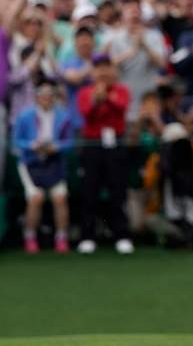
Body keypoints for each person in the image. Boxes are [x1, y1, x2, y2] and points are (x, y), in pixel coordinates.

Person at [76, 55, 134, 254]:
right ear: (92, 72)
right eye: (98, 68)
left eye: (106, 68)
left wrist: (106, 98)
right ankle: (87, 236)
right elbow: (86, 114)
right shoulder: (85, 92)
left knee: (118, 191)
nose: (102, 72)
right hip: (92, 145)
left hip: (115, 144)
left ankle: (122, 235)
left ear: (112, 71)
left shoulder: (121, 91)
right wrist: (95, 99)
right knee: (89, 191)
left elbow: (121, 109)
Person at [14, 79, 75, 254]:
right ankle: (30, 236)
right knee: (36, 198)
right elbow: (17, 141)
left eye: (50, 95)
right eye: (42, 95)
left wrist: (57, 147)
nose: (46, 98)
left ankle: (62, 237)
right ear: (36, 97)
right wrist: (32, 145)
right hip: (31, 163)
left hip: (54, 163)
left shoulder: (64, 116)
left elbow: (69, 142)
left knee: (60, 198)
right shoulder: (25, 116)